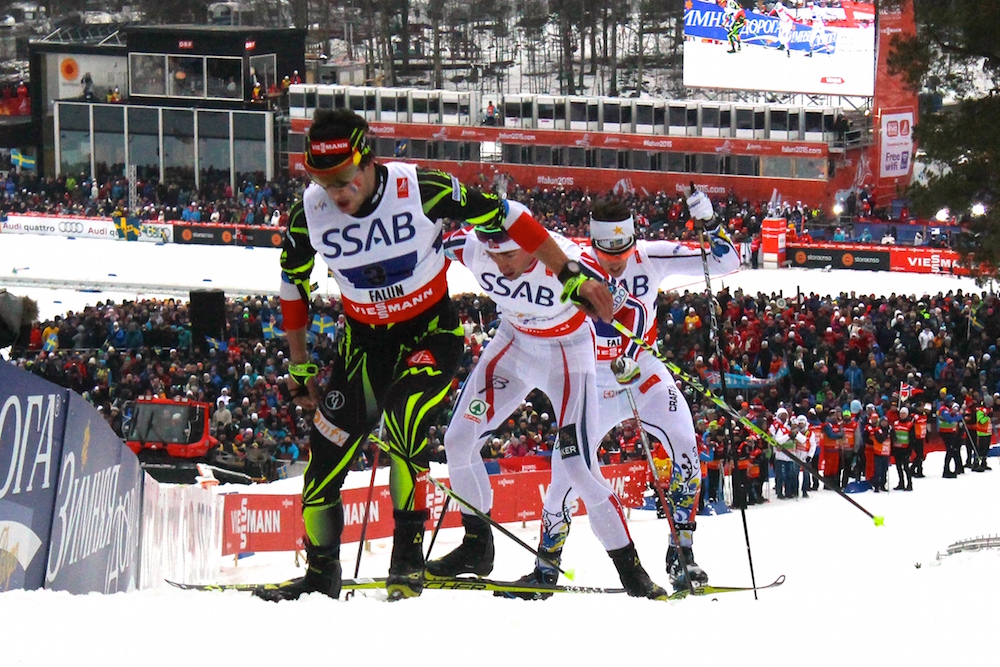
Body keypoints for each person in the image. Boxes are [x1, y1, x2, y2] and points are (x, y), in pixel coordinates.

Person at [256, 108, 612, 602]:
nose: (336, 191)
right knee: (323, 460)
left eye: (344, 177)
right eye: (322, 178)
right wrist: (299, 364)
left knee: (404, 422)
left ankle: (407, 560)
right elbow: (291, 283)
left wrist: (569, 271)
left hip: (429, 337)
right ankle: (320, 576)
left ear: (367, 160)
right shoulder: (309, 214)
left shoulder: (420, 188)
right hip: (364, 348)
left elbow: (507, 215)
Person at [428, 218, 667, 600]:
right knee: (458, 441)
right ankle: (476, 546)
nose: (502, 265)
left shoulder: (567, 260)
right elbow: (429, 243)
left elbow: (633, 311)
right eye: (494, 254)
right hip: (513, 345)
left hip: (568, 356)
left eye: (509, 253)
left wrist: (632, 348)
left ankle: (632, 571)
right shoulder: (474, 249)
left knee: (577, 466)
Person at [578, 193, 738, 590]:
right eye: (605, 251)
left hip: (642, 368)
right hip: (591, 377)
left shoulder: (652, 256)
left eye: (623, 248)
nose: (615, 261)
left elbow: (727, 262)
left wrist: (711, 222)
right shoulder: (571, 262)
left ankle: (682, 552)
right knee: (570, 467)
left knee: (685, 443)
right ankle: (548, 559)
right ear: (592, 242)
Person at [891, 407, 914, 491]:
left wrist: (910, 450)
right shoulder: (896, 423)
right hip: (897, 449)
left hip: (905, 449)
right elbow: (892, 435)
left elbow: (912, 438)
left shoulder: (910, 424)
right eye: (901, 413)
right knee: (898, 467)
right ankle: (901, 483)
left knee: (906, 467)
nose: (902, 415)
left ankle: (909, 484)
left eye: (904, 413)